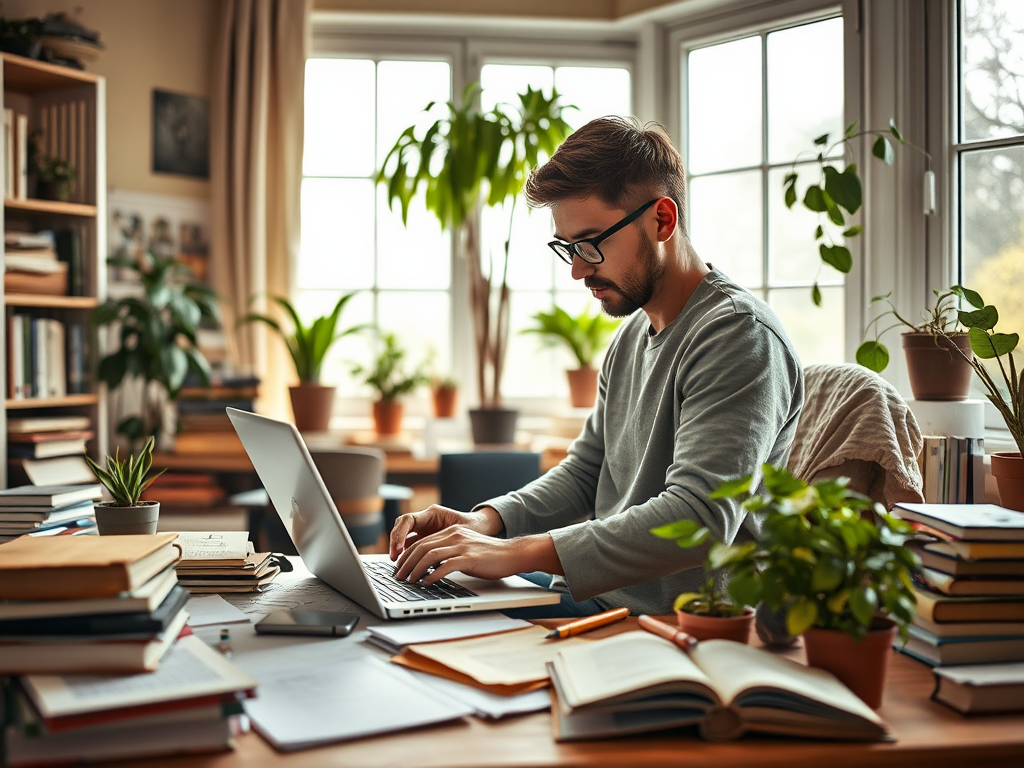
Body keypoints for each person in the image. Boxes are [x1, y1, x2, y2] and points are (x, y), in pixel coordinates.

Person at [390, 116, 804, 617]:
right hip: (601, 600)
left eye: (590, 243)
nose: (578, 269)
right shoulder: (632, 335)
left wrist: (513, 554)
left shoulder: (738, 336)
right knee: (407, 618)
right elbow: (586, 473)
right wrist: (485, 524)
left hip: (678, 622)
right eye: (567, 247)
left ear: (662, 221)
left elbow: (698, 517)